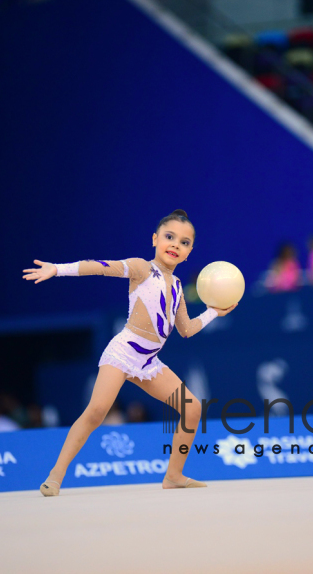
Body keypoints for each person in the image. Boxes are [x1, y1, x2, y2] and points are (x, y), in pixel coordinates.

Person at [22, 209, 238, 495]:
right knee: (97, 411)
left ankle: (173, 475)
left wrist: (213, 312)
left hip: (149, 363)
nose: (175, 244)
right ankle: (55, 475)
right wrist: (57, 269)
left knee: (192, 408)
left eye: (184, 242)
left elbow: (185, 329)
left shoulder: (177, 287)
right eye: (169, 237)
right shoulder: (141, 268)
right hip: (123, 353)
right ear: (154, 240)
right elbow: (99, 266)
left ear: (190, 252)